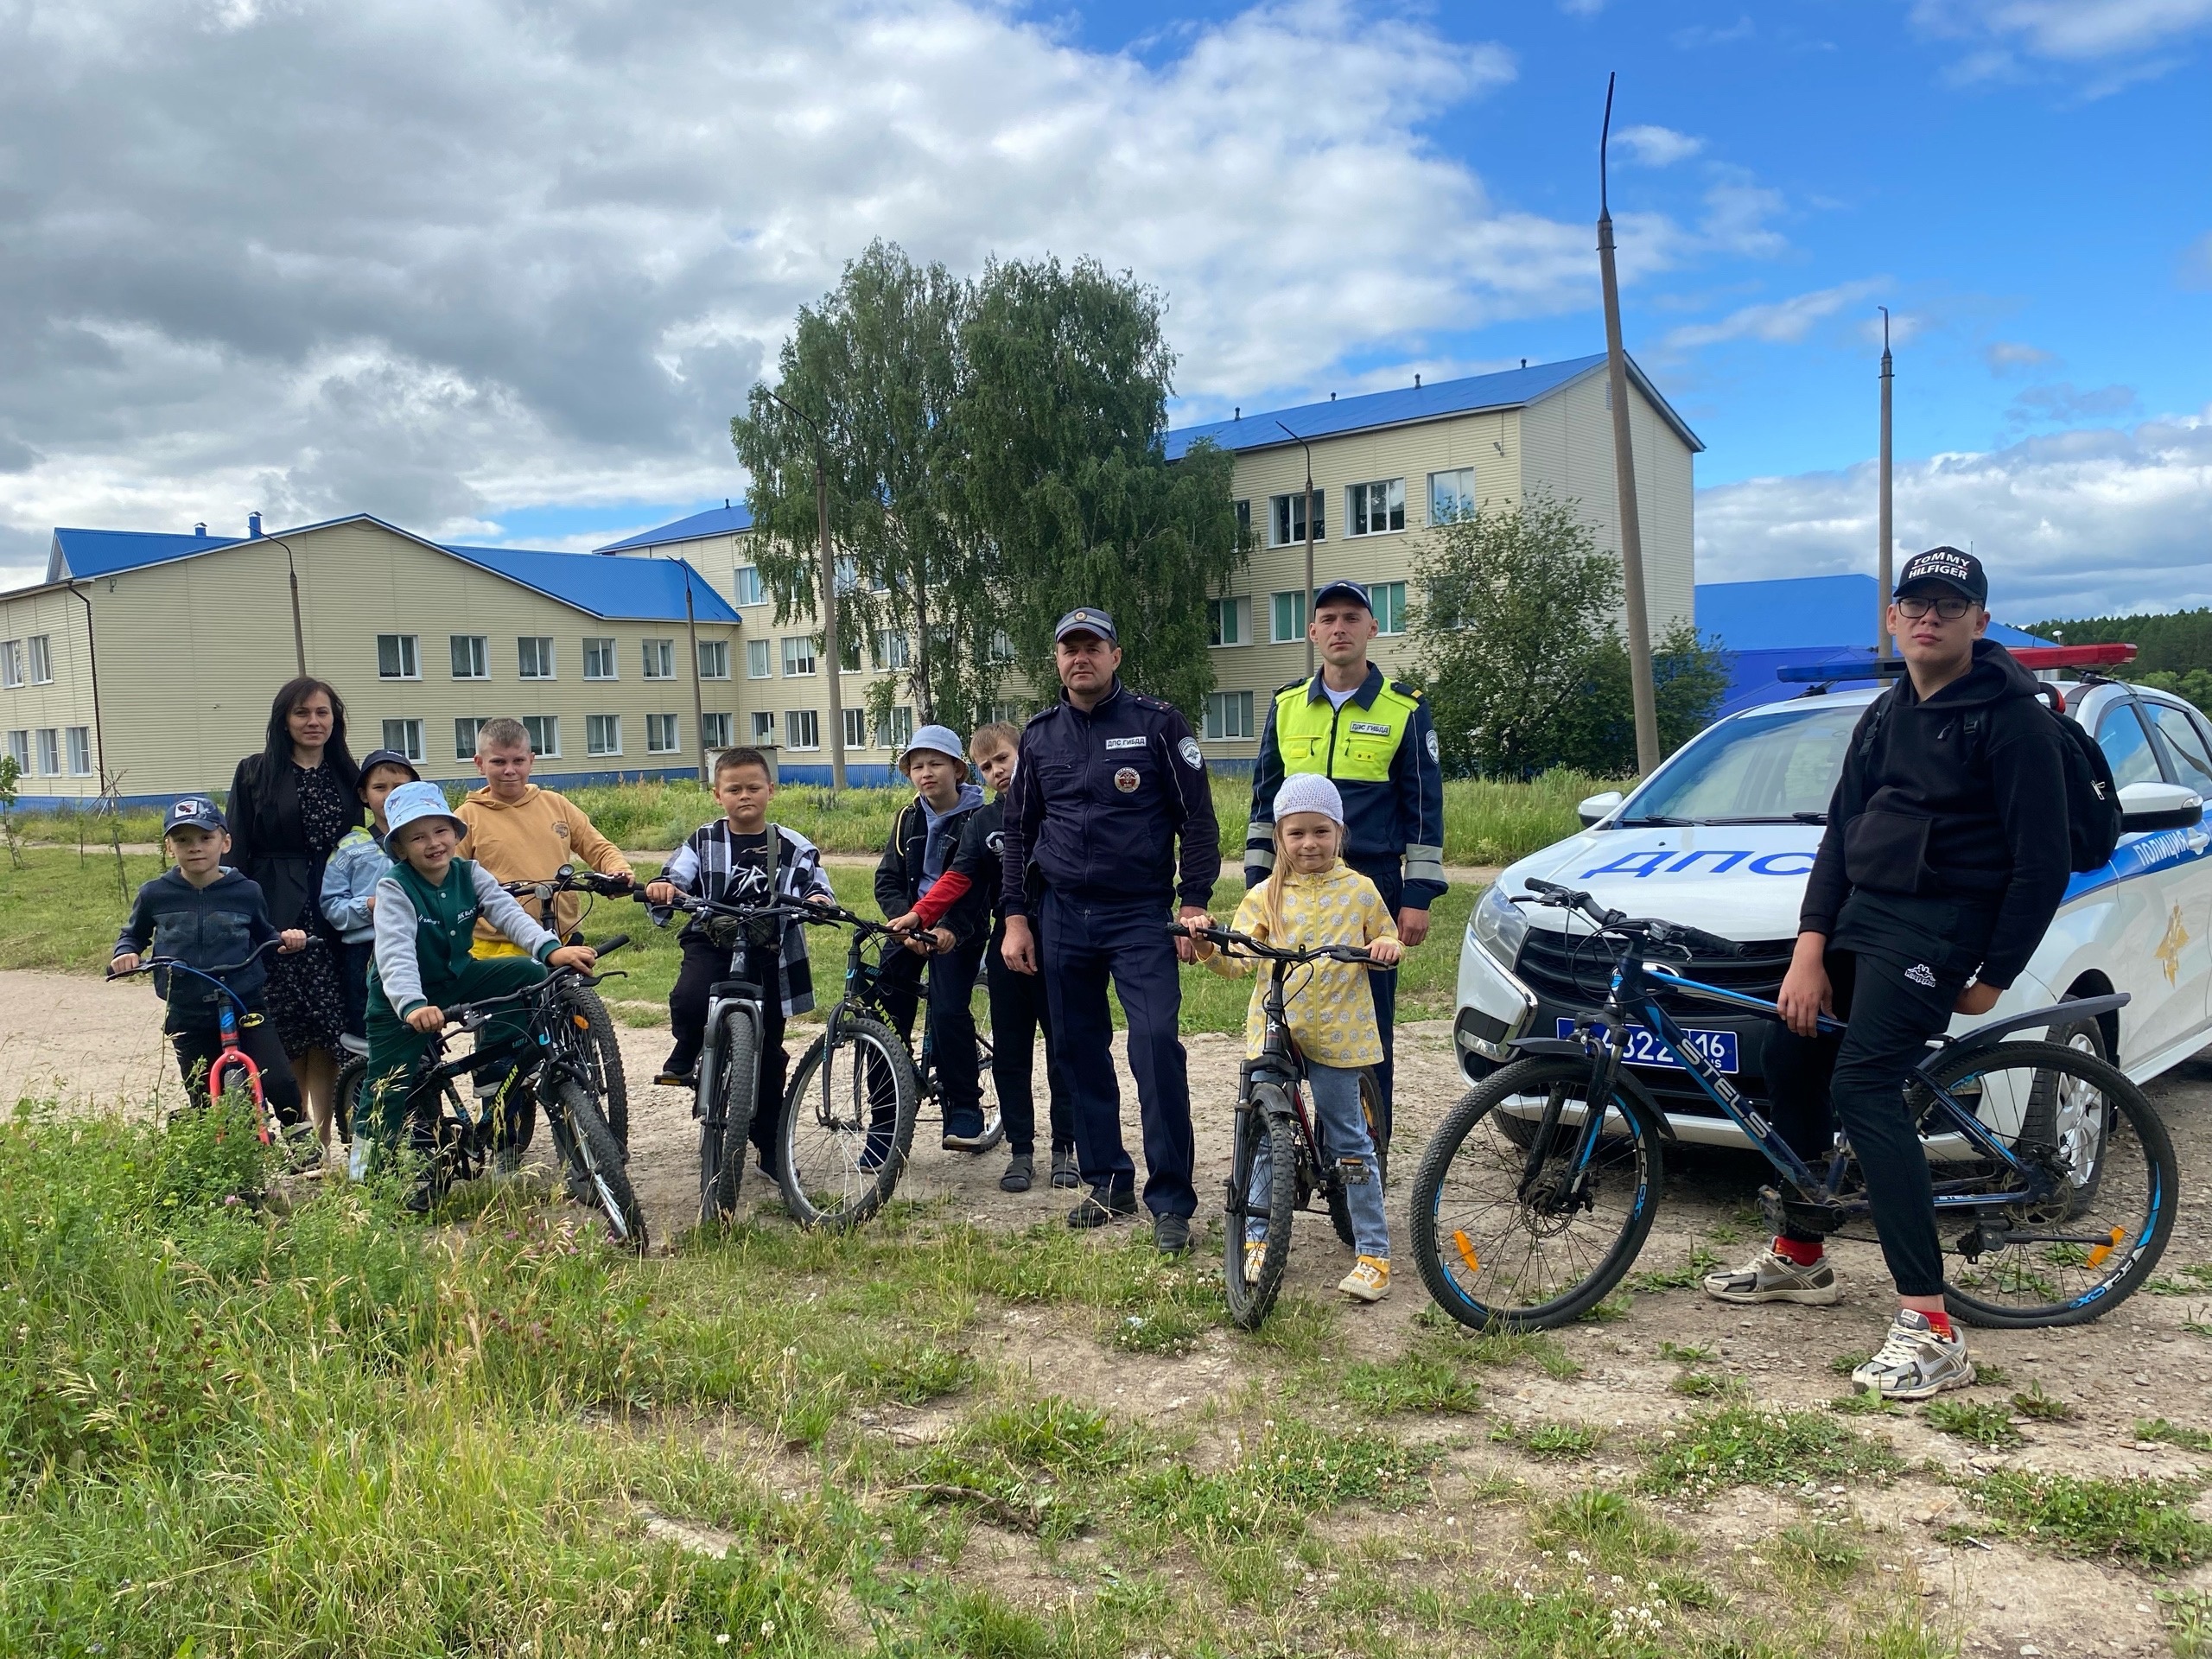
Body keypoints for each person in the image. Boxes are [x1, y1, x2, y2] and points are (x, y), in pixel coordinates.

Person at [1702, 547, 2071, 1401]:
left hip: (1942, 928)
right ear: (1892, 619)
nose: (1929, 617)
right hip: (1866, 916)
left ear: (1979, 621)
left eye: (1950, 604)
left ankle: (1931, 1329)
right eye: (1915, 604)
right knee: (1785, 1051)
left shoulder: (2010, 720)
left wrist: (1995, 973)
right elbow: (1839, 836)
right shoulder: (1885, 712)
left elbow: (2042, 863)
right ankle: (1801, 1252)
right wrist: (1807, 948)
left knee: (1865, 1088)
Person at [999, 607, 1221, 1253]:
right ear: (1057, 661)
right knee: (1075, 1050)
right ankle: (1107, 1181)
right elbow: (1017, 832)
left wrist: (1193, 904)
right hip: (1062, 914)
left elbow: (1197, 821)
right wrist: (1016, 918)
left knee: (1154, 1046)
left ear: (1115, 656)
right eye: (1069, 649)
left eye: (1092, 647)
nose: (1080, 659)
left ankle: (1172, 1199)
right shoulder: (1039, 736)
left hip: (1142, 913)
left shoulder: (1157, 724)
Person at [1245, 578, 1444, 1149]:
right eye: (1327, 618)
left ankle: (1362, 1159)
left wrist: (1417, 894)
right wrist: (1261, 889)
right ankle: (1287, 1150)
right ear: (1312, 632)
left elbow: (1423, 805)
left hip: (1369, 890)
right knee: (1286, 1018)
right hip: (1294, 889)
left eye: (1351, 618)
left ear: (1371, 628)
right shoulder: (1285, 705)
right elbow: (1264, 805)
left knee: (1365, 1032)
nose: (1339, 628)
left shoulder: (1403, 707)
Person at [1196, 775, 1402, 1301]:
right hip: (1275, 1029)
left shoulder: (1359, 890)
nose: (1308, 843)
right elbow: (1237, 960)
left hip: (1339, 1030)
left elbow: (1384, 931)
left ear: (1338, 833)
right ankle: (1258, 1235)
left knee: (1351, 1140)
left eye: (1319, 832)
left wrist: (1384, 946)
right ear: (1279, 838)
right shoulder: (1265, 895)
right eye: (1295, 834)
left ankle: (1374, 1252)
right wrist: (1207, 945)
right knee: (1263, 1138)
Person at [360, 781, 596, 1206]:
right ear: (400, 847)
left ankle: (507, 1054)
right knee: (387, 1087)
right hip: (403, 997)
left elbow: (508, 914)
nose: (432, 843)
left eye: (440, 831)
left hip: (458, 976)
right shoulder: (396, 888)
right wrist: (413, 1006)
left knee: (525, 971)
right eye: (417, 836)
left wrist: (551, 949)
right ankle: (366, 1179)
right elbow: (394, 953)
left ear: (455, 834)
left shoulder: (469, 873)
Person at [644, 747, 836, 1177]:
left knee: (770, 1055)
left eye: (753, 787)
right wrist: (663, 887)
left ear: (771, 789)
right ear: (717, 795)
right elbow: (673, 875)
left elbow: (817, 885)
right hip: (713, 939)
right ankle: (690, 1043)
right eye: (734, 789)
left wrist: (820, 901)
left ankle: (768, 1145)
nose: (744, 796)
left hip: (769, 949)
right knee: (691, 997)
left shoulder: (793, 844)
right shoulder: (703, 839)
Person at [903, 721, 1078, 1192]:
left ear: (1026, 754)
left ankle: (1066, 1148)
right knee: (1012, 1054)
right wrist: (919, 915)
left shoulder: (1060, 809)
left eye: (1004, 758)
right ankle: (1021, 1151)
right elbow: (958, 879)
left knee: (1065, 1053)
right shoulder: (983, 823)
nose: (998, 771)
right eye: (986, 767)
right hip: (1008, 950)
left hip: (1063, 949)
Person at [227, 677, 363, 1147]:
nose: (313, 722)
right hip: (274, 911)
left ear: (335, 719)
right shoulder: (254, 772)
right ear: (284, 720)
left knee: (331, 1027)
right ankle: (295, 1132)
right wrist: (236, 916)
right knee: (286, 1028)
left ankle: (325, 1139)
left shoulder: (349, 774)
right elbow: (237, 849)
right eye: (302, 713)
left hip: (336, 911)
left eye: (322, 713)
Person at [112, 798, 308, 1122]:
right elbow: (133, 934)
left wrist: (287, 940)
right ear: (169, 846)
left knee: (278, 1079)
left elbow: (266, 935)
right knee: (203, 1091)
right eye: (183, 840)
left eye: (206, 838)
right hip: (187, 1006)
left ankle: (301, 1144)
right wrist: (126, 953)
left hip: (245, 1001)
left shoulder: (246, 891)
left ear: (226, 842)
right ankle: (216, 1153)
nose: (195, 848)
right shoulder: (155, 894)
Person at [876, 724, 991, 1152]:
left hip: (957, 930)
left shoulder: (979, 819)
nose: (926, 773)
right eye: (917, 766)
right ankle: (884, 1122)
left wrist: (950, 929)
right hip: (910, 927)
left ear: (958, 770)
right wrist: (903, 921)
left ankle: (963, 1109)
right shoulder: (908, 818)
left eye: (936, 764)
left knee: (947, 1011)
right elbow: (887, 879)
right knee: (882, 1012)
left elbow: (980, 886)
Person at [454, 716, 635, 952]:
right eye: (498, 762)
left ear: (531, 761)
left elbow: (598, 847)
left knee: (574, 988)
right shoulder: (465, 817)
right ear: (480, 764)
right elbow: (451, 877)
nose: (510, 770)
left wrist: (617, 870)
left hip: (563, 935)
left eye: (518, 761)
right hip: (498, 944)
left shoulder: (555, 804)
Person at [320, 747, 420, 1048]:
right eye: (380, 787)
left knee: (422, 1030)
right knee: (369, 1037)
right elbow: (331, 905)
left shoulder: (428, 840)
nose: (390, 794)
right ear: (364, 795)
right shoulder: (350, 847)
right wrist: (368, 906)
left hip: (419, 946)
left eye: (399, 786)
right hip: (365, 954)